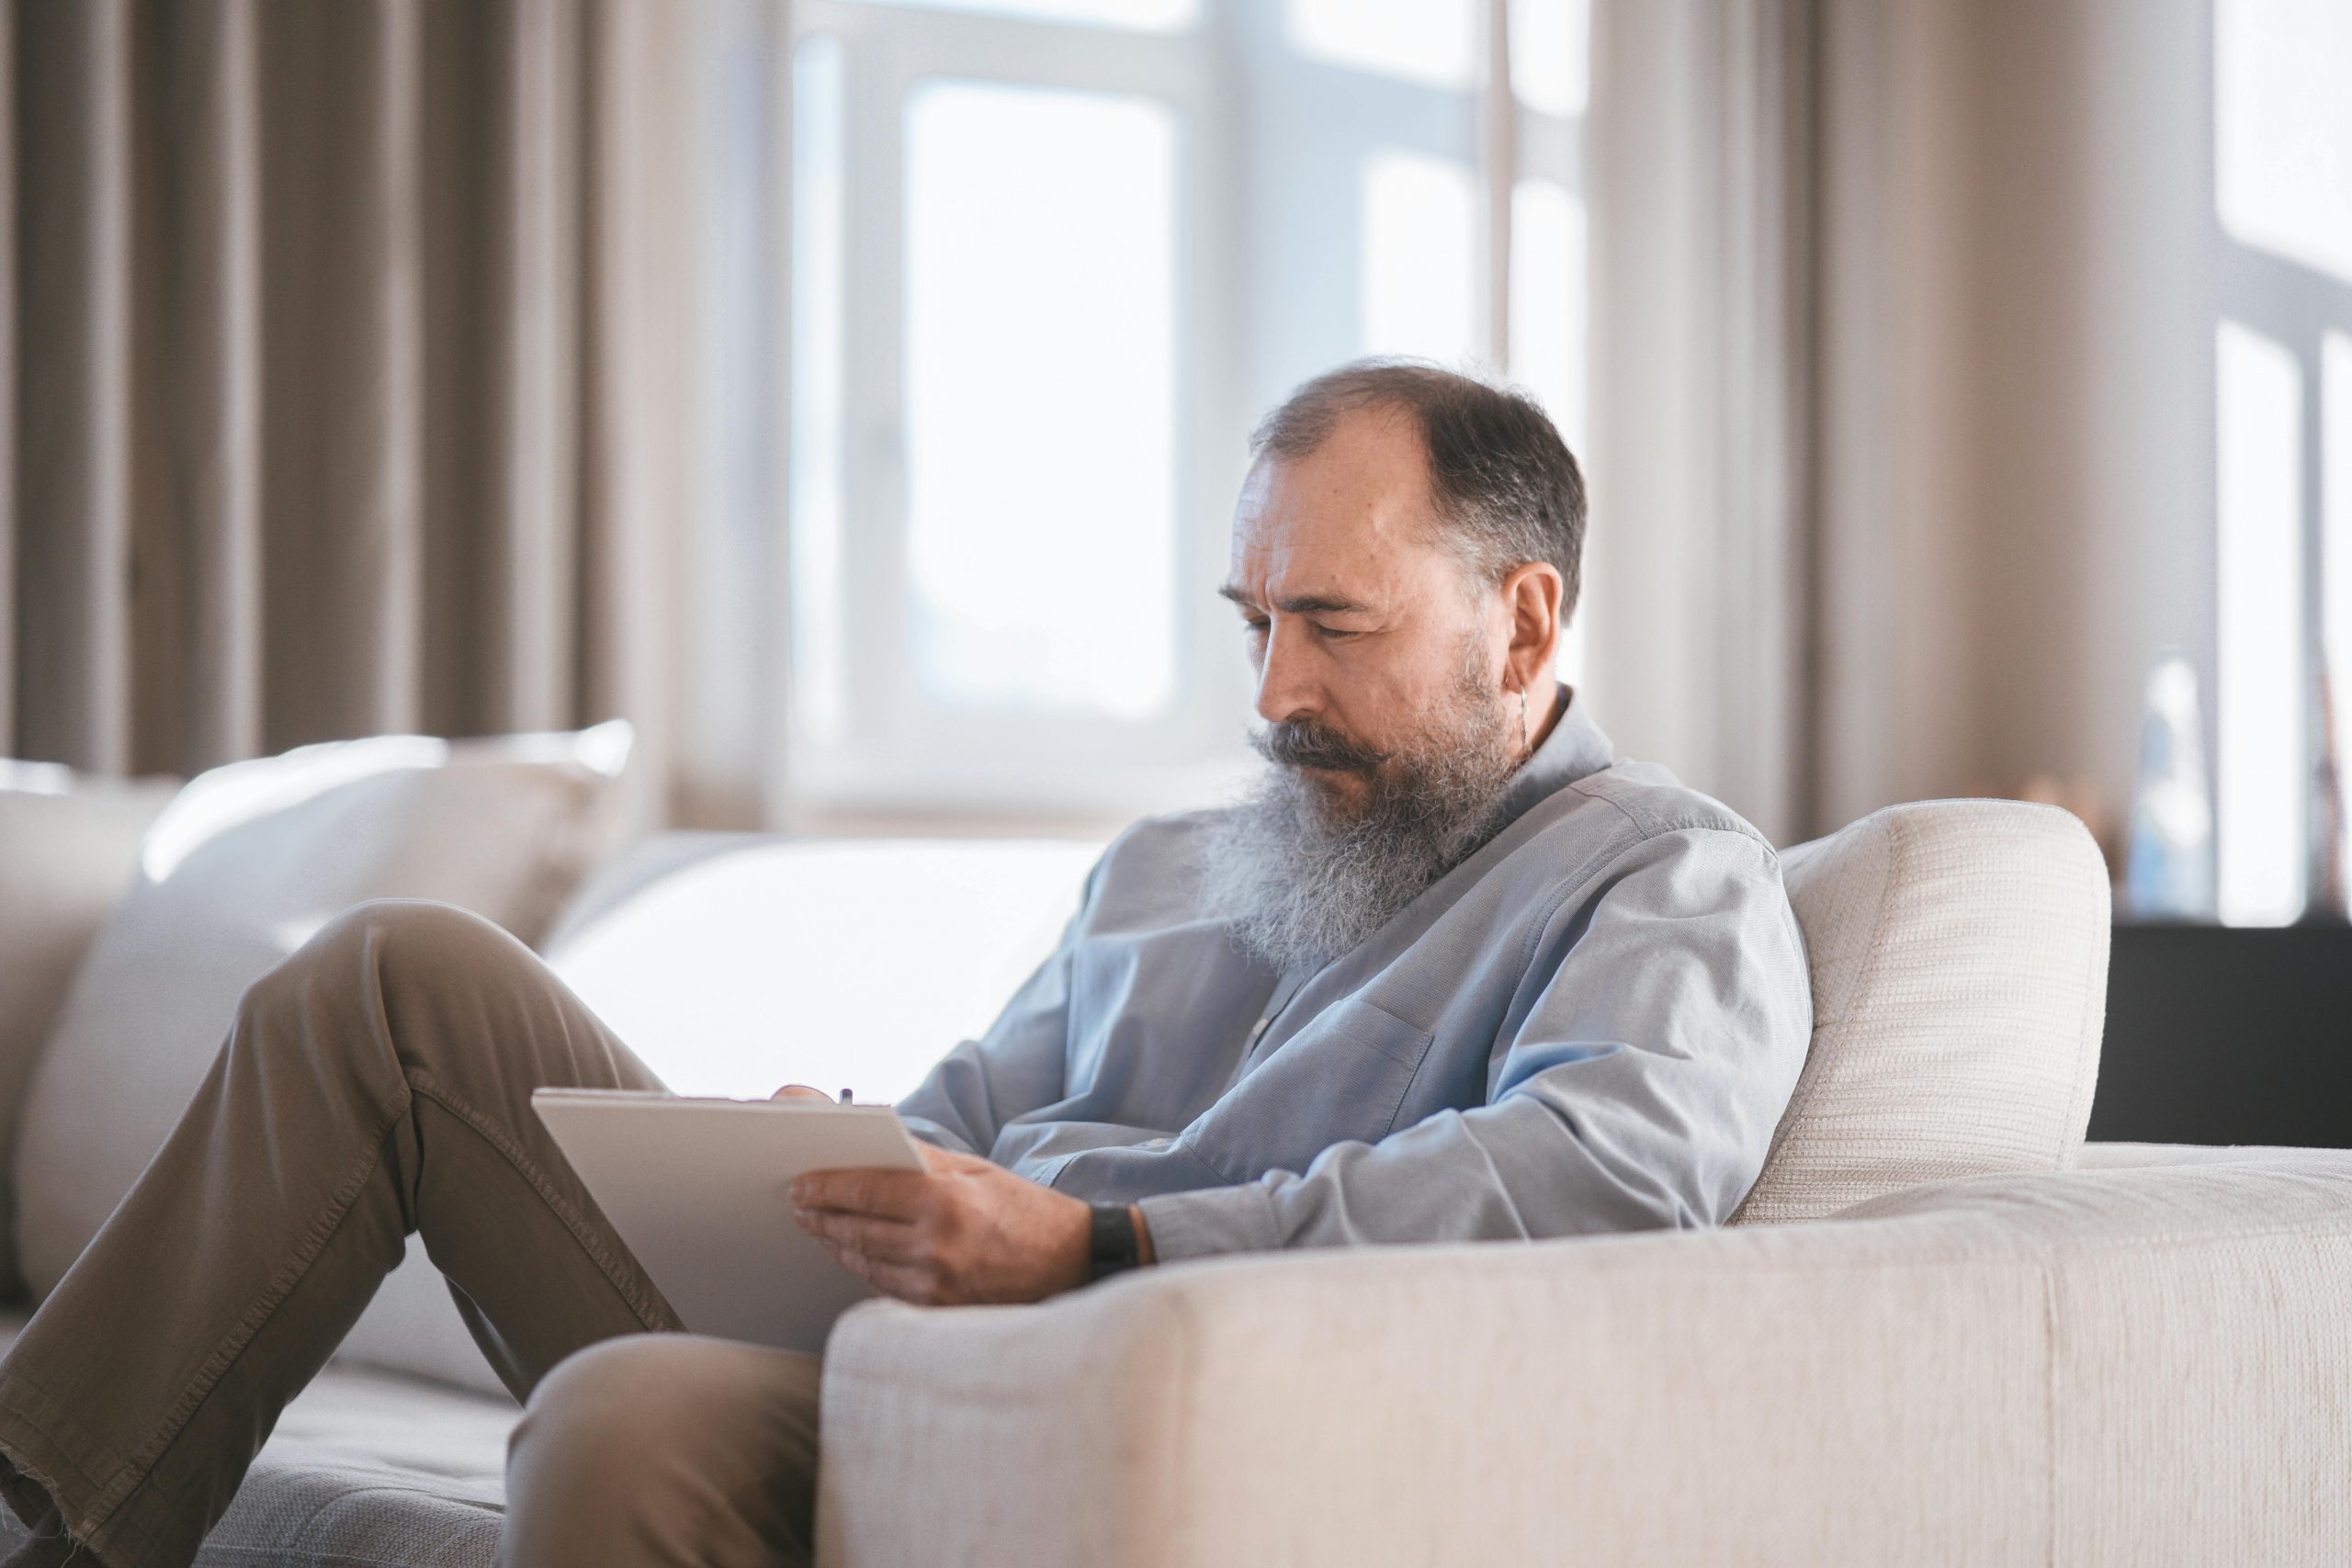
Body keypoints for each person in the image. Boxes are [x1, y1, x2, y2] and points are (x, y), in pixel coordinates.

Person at [0, 361, 1810, 1568]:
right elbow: (975, 1108)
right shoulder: (1179, 857)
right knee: (393, 982)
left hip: (1081, 1375)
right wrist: (837, 1160)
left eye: (1331, 625)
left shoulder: (1658, 878)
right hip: (878, 1316)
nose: (1269, 696)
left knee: (622, 1420)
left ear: (1521, 620)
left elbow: (1600, 1184)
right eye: (1251, 624)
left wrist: (1099, 1243)